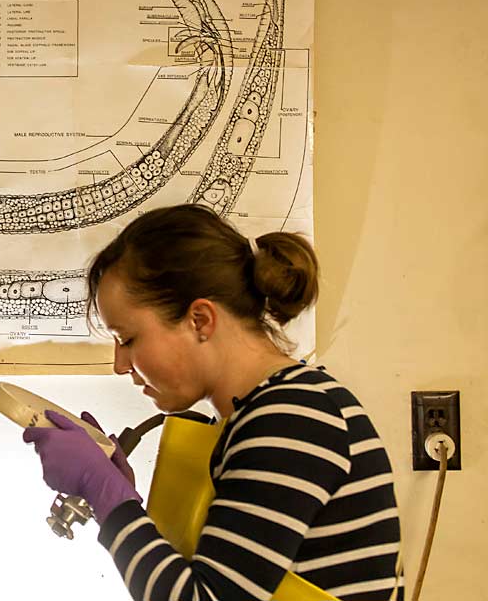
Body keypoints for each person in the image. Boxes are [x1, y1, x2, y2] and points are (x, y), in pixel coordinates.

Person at [23, 204, 403, 601]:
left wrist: (103, 490)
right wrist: (120, 493)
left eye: (129, 339)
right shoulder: (272, 411)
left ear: (200, 320)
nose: (121, 365)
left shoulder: (292, 417)